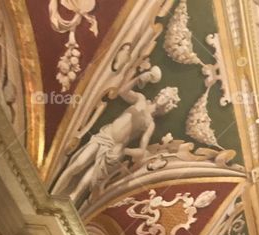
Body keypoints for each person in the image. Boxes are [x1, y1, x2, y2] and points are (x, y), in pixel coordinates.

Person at [54, 67, 179, 202]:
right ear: (160, 94)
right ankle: (53, 192)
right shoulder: (141, 99)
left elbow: (141, 152)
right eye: (165, 95)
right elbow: (122, 91)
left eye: (168, 100)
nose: (164, 99)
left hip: (114, 149)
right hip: (105, 136)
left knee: (88, 179)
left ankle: (70, 199)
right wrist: (139, 78)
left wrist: (125, 150)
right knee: (78, 163)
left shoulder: (150, 124)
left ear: (167, 106)